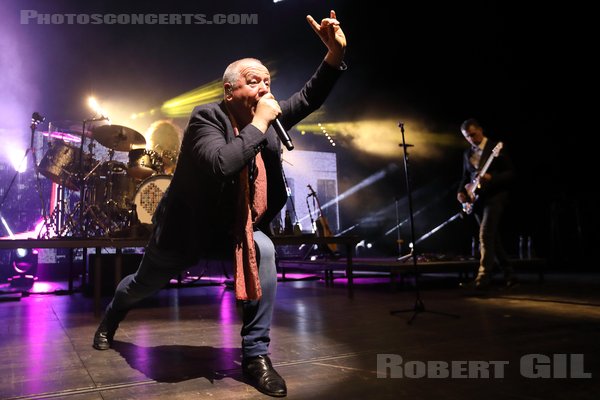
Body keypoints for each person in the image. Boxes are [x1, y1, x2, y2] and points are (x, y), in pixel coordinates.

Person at [93, 10, 347, 398]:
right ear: (230, 92)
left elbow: (310, 95)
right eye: (253, 82)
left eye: (268, 81)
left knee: (264, 251)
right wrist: (259, 125)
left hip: (235, 228)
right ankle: (115, 312)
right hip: (186, 229)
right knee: (143, 284)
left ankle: (256, 356)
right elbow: (221, 164)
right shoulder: (206, 118)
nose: (265, 89)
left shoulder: (269, 122)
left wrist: (333, 54)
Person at [456, 118, 516, 290]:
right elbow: (465, 177)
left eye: (473, 135)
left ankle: (483, 277)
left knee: (485, 234)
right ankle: (510, 273)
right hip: (477, 199)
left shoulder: (496, 147)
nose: (471, 139)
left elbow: (511, 173)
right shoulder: (467, 154)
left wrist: (492, 177)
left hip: (496, 197)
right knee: (492, 238)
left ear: (481, 130)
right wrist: (461, 192)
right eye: (467, 137)